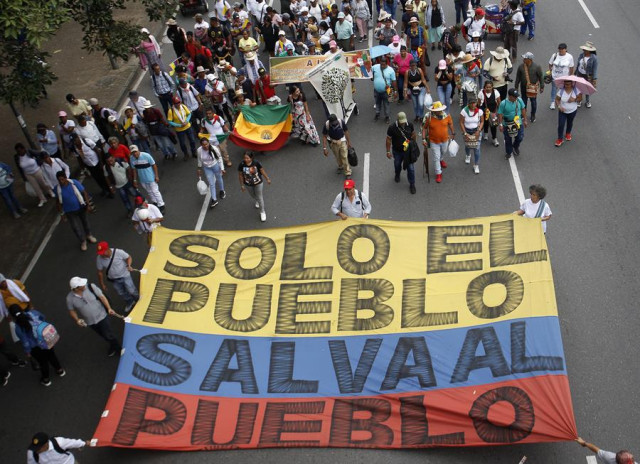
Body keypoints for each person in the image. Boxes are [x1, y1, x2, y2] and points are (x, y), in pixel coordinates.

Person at [9, 305, 64, 387]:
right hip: (45, 339)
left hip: (35, 348)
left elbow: (25, 342)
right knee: (52, 355)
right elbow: (43, 317)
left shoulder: (18, 327)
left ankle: (46, 379)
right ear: (21, 309)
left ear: (12, 316)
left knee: (43, 362)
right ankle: (60, 370)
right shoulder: (33, 313)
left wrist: (27, 352)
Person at [66, 276, 122, 357]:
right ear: (76, 288)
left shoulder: (91, 286)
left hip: (102, 315)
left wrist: (109, 308)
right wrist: (77, 319)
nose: (84, 284)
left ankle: (119, 349)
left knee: (108, 334)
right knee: (103, 335)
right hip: (90, 322)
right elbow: (71, 310)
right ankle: (113, 345)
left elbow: (102, 297)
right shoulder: (69, 299)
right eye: (82, 284)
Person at [55, 171, 97, 251]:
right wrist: (61, 214)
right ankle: (83, 241)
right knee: (75, 227)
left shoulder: (74, 183)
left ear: (66, 178)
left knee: (85, 222)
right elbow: (58, 202)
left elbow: (84, 192)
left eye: (62, 179)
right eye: (59, 180)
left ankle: (89, 235)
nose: (61, 182)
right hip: (69, 211)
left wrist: (88, 205)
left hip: (80, 207)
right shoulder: (57, 189)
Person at [96, 242, 139, 313]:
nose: (101, 255)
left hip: (125, 275)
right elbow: (99, 272)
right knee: (121, 292)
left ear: (107, 249)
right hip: (114, 279)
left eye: (103, 252)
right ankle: (130, 302)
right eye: (100, 253)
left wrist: (129, 265)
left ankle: (139, 301)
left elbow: (128, 257)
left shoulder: (119, 252)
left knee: (131, 290)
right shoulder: (99, 258)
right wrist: (102, 284)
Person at [423, 101, 455, 183]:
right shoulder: (429, 117)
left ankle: (441, 159)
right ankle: (438, 173)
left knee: (443, 151)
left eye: (440, 110)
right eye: (437, 110)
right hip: (434, 141)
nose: (439, 112)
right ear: (433, 111)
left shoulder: (447, 115)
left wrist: (453, 133)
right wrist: (423, 139)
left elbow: (450, 124)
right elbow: (424, 128)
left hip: (445, 140)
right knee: (436, 157)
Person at [386, 112, 418, 193]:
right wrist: (388, 151)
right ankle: (397, 173)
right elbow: (388, 139)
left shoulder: (410, 125)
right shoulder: (392, 127)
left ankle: (412, 184)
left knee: (411, 169)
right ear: (398, 120)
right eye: (401, 121)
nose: (403, 123)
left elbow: (414, 134)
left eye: (404, 121)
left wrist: (413, 144)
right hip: (397, 151)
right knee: (397, 165)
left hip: (408, 152)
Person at [14, 143, 52, 208]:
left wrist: (41, 161)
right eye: (18, 151)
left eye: (20, 151)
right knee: (36, 187)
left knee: (43, 183)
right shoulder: (16, 157)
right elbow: (19, 168)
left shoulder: (29, 152)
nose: (19, 153)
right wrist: (24, 178)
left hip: (36, 171)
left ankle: (50, 192)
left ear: (23, 149)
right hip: (28, 174)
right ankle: (42, 199)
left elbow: (40, 154)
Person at [129, 145, 165, 212]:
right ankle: (155, 203)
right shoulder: (131, 158)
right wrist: (134, 180)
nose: (135, 154)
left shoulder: (146, 155)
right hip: (142, 179)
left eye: (135, 152)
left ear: (138, 150)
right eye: (133, 152)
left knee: (155, 191)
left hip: (151, 178)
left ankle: (161, 205)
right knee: (149, 192)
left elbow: (154, 165)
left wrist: (156, 176)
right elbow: (134, 169)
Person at [238, 151, 271, 222]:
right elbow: (240, 175)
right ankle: (257, 201)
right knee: (253, 195)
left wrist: (267, 178)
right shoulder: (242, 165)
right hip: (248, 184)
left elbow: (262, 171)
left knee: (259, 196)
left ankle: (262, 212)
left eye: (247, 158)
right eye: (244, 158)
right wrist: (242, 185)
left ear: (251, 158)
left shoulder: (256, 163)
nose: (245, 159)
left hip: (258, 182)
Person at [196, 137, 226, 209]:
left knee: (219, 179)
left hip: (215, 166)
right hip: (207, 168)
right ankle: (214, 199)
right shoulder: (199, 150)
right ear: (201, 145)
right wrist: (199, 168)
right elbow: (199, 159)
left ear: (209, 143)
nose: (206, 146)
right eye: (204, 145)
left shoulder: (214, 148)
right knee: (211, 183)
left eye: (207, 144)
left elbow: (219, 158)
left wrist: (222, 168)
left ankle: (222, 191)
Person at [498, 88, 527, 159]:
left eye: (516, 96)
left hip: (518, 122)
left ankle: (515, 146)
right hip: (507, 124)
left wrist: (525, 120)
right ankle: (509, 152)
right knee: (508, 139)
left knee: (520, 137)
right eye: (514, 96)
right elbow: (500, 114)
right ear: (510, 96)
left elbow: (523, 109)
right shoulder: (503, 103)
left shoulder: (519, 100)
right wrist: (500, 124)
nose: (516, 98)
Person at [515, 51, 543, 122]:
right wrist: (516, 86)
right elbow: (518, 77)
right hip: (523, 87)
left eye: (525, 58)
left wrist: (542, 86)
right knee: (523, 102)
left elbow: (541, 77)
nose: (523, 59)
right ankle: (523, 114)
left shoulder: (537, 67)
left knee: (533, 102)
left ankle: (533, 114)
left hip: (532, 89)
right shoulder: (521, 66)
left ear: (530, 60)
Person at [167, 96, 198, 160]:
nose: (178, 104)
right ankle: (186, 153)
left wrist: (187, 121)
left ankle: (193, 151)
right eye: (176, 103)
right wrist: (179, 125)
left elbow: (189, 114)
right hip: (179, 130)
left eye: (179, 102)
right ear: (173, 104)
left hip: (188, 127)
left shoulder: (183, 107)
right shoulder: (171, 111)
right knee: (182, 143)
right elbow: (170, 121)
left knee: (192, 140)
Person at [459, 94, 483, 173]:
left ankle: (476, 165)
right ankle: (468, 155)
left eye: (475, 103)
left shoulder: (479, 111)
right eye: (471, 103)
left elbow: (482, 121)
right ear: (468, 103)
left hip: (476, 131)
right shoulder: (464, 111)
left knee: (477, 149)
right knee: (468, 146)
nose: (473, 105)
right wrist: (465, 133)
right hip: (467, 131)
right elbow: (461, 122)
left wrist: (478, 130)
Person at [554, 79, 582, 147]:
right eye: (565, 84)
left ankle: (568, 133)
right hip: (562, 111)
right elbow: (557, 100)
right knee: (561, 124)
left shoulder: (576, 90)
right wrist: (559, 107)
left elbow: (580, 99)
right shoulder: (561, 91)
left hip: (572, 111)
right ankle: (560, 139)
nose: (567, 86)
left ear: (572, 83)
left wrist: (574, 99)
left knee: (570, 122)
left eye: (568, 84)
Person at [548, 43, 574, 109]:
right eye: (560, 50)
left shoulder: (569, 57)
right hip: (555, 77)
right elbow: (550, 63)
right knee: (554, 89)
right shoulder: (554, 55)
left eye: (562, 50)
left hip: (564, 78)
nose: (561, 52)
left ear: (566, 49)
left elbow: (571, 67)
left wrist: (570, 76)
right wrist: (551, 71)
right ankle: (552, 102)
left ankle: (561, 101)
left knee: (563, 89)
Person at [372, 57, 397, 123]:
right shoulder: (375, 67)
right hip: (376, 90)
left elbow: (394, 81)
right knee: (377, 103)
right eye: (381, 64)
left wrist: (395, 91)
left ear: (387, 63)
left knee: (386, 104)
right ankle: (377, 114)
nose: (382, 66)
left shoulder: (391, 70)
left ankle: (387, 117)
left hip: (386, 91)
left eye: (384, 65)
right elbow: (369, 72)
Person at [477, 80, 501, 146]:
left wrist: (500, 112)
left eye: (490, 87)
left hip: (493, 112)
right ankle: (486, 133)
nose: (488, 88)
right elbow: (478, 103)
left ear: (492, 87)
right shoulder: (481, 93)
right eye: (487, 87)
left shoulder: (495, 92)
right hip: (484, 112)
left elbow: (499, 102)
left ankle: (494, 139)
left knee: (494, 126)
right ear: (484, 87)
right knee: (485, 122)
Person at [575, 41, 598, 108]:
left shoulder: (594, 58)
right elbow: (578, 65)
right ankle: (579, 100)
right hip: (580, 73)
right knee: (579, 87)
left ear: (589, 50)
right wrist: (575, 73)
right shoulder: (581, 55)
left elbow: (595, 69)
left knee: (587, 88)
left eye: (585, 49)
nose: (583, 50)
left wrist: (594, 78)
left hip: (588, 75)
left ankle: (587, 101)